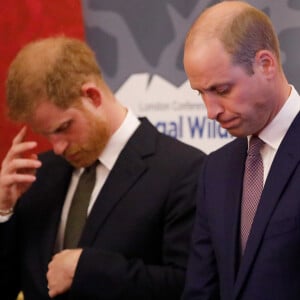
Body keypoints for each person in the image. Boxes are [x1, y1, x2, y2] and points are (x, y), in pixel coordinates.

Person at [0, 36, 205, 300]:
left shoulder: (182, 170)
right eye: (47, 135)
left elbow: (187, 285)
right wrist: (4, 210)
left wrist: (86, 270)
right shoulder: (38, 174)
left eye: (63, 128)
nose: (58, 147)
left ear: (92, 96)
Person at [182, 1, 300, 300]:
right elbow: (201, 287)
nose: (210, 112)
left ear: (266, 64)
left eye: (221, 90)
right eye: (201, 93)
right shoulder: (215, 170)